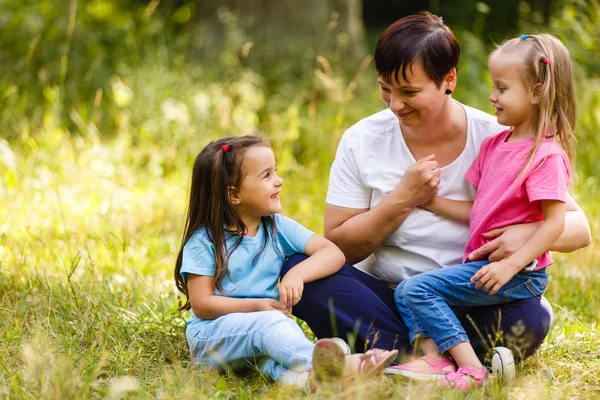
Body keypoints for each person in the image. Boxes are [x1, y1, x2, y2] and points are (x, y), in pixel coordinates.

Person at [280, 12, 590, 368]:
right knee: (303, 269)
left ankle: (389, 356)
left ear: (449, 79)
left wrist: (526, 233)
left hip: (466, 294)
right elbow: (338, 248)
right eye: (385, 88)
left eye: (409, 92)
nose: (395, 104)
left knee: (528, 318)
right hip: (382, 294)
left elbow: (578, 229)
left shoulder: (498, 136)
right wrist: (401, 200)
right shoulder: (362, 140)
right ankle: (437, 359)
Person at [391, 33, 577, 389]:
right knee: (410, 292)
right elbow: (479, 211)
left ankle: (471, 370)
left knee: (415, 291)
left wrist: (509, 265)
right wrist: (427, 200)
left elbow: (554, 223)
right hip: (490, 265)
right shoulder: (496, 144)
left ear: (537, 93)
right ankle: (437, 362)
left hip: (520, 271)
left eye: (503, 89)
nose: (492, 96)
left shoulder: (546, 155)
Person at [174, 135, 397, 389]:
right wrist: (257, 306)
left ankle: (314, 383)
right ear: (234, 194)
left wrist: (296, 275)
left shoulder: (276, 227)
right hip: (212, 339)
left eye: (275, 172)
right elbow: (202, 304)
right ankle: (343, 364)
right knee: (269, 327)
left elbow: (333, 253)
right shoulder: (205, 240)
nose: (279, 181)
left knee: (272, 360)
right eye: (266, 176)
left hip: (260, 338)